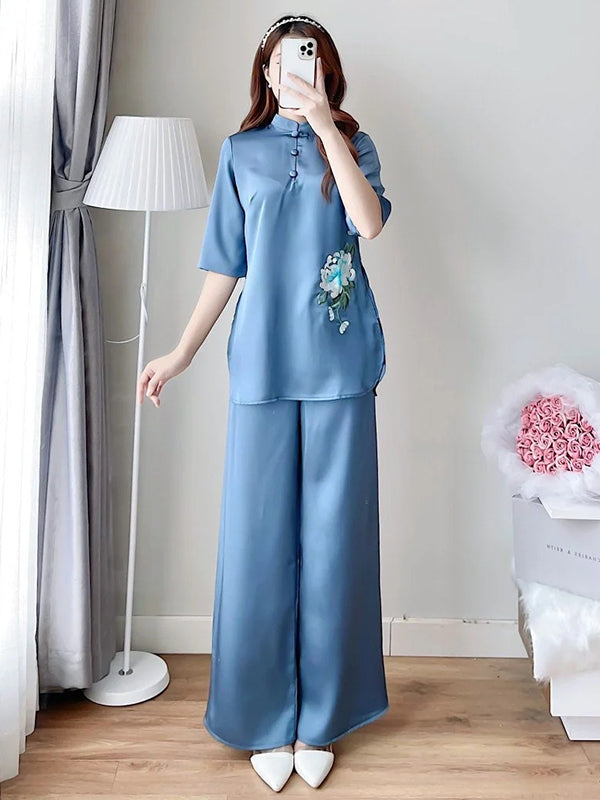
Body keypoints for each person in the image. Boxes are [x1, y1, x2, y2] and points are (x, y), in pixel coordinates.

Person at [137, 13, 392, 793]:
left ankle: (322, 720)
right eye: (281, 63)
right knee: (255, 546)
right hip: (261, 364)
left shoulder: (354, 143)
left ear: (325, 70)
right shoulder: (239, 152)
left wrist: (326, 127)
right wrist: (181, 352)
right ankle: (262, 719)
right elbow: (227, 264)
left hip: (341, 363)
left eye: (305, 61)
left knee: (335, 545)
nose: (292, 73)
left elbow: (369, 223)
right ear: (265, 70)